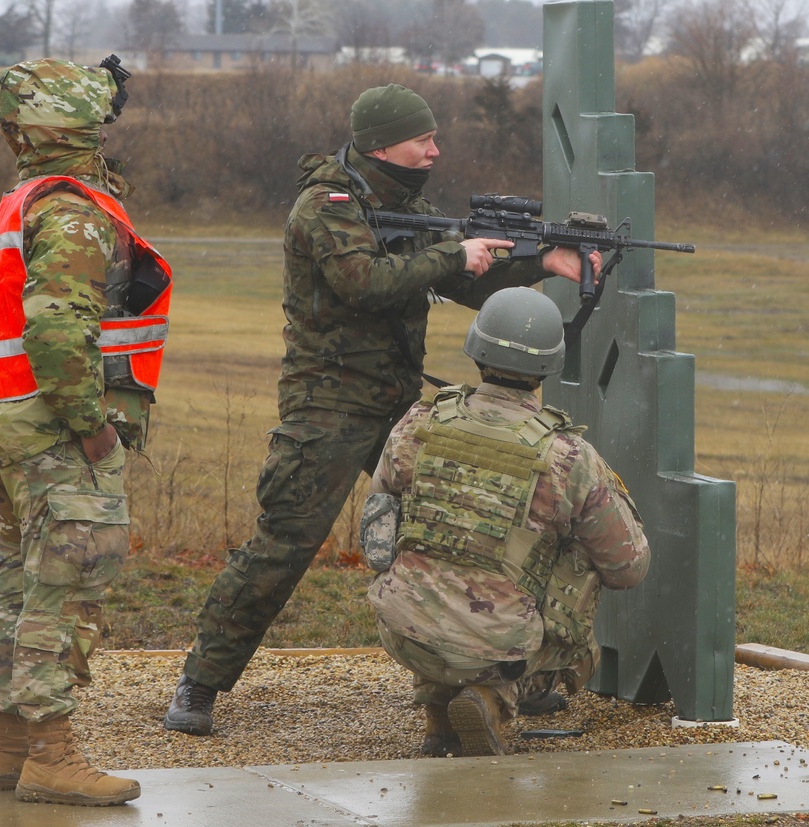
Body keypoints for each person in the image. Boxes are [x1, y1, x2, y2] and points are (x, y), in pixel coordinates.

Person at [163, 83, 601, 737]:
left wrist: (542, 262)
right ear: (380, 144)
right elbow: (363, 282)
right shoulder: (326, 206)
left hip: (396, 405)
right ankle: (199, 685)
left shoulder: (407, 206)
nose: (434, 150)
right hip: (328, 408)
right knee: (283, 545)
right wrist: (454, 251)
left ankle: (492, 680)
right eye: (422, 139)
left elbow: (462, 280)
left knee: (458, 533)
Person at [0, 55, 172, 806]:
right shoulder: (74, 211)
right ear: (87, 127)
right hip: (56, 430)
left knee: (19, 584)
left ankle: (10, 745)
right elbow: (55, 330)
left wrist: (0, 415)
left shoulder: (18, 205)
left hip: (14, 425)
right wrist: (89, 424)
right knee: (69, 580)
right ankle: (51, 753)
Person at [361, 286, 650, 757]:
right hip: (498, 645)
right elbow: (628, 568)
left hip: (402, 630)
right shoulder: (568, 457)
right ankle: (493, 699)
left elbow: (376, 534)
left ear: (476, 348)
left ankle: (438, 706)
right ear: (549, 364)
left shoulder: (418, 423)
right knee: (579, 596)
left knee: (430, 555)